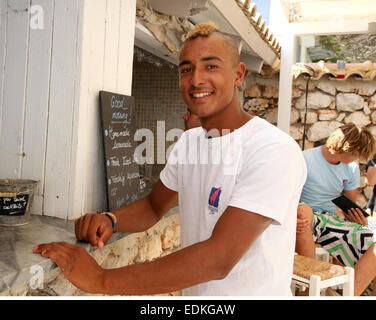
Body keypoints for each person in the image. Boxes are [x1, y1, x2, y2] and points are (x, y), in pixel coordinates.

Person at [33, 22, 307, 296]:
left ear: (238, 74)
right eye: (186, 69)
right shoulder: (191, 141)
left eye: (211, 66)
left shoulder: (272, 150)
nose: (196, 79)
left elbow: (219, 258)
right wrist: (111, 219)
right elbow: (154, 206)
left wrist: (100, 279)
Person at [295, 123, 376, 296]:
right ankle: (310, 290)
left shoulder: (351, 169)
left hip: (329, 220)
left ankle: (347, 295)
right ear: (346, 147)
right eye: (355, 154)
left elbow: (348, 206)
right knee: (303, 211)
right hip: (303, 216)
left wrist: (357, 218)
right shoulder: (304, 159)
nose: (356, 159)